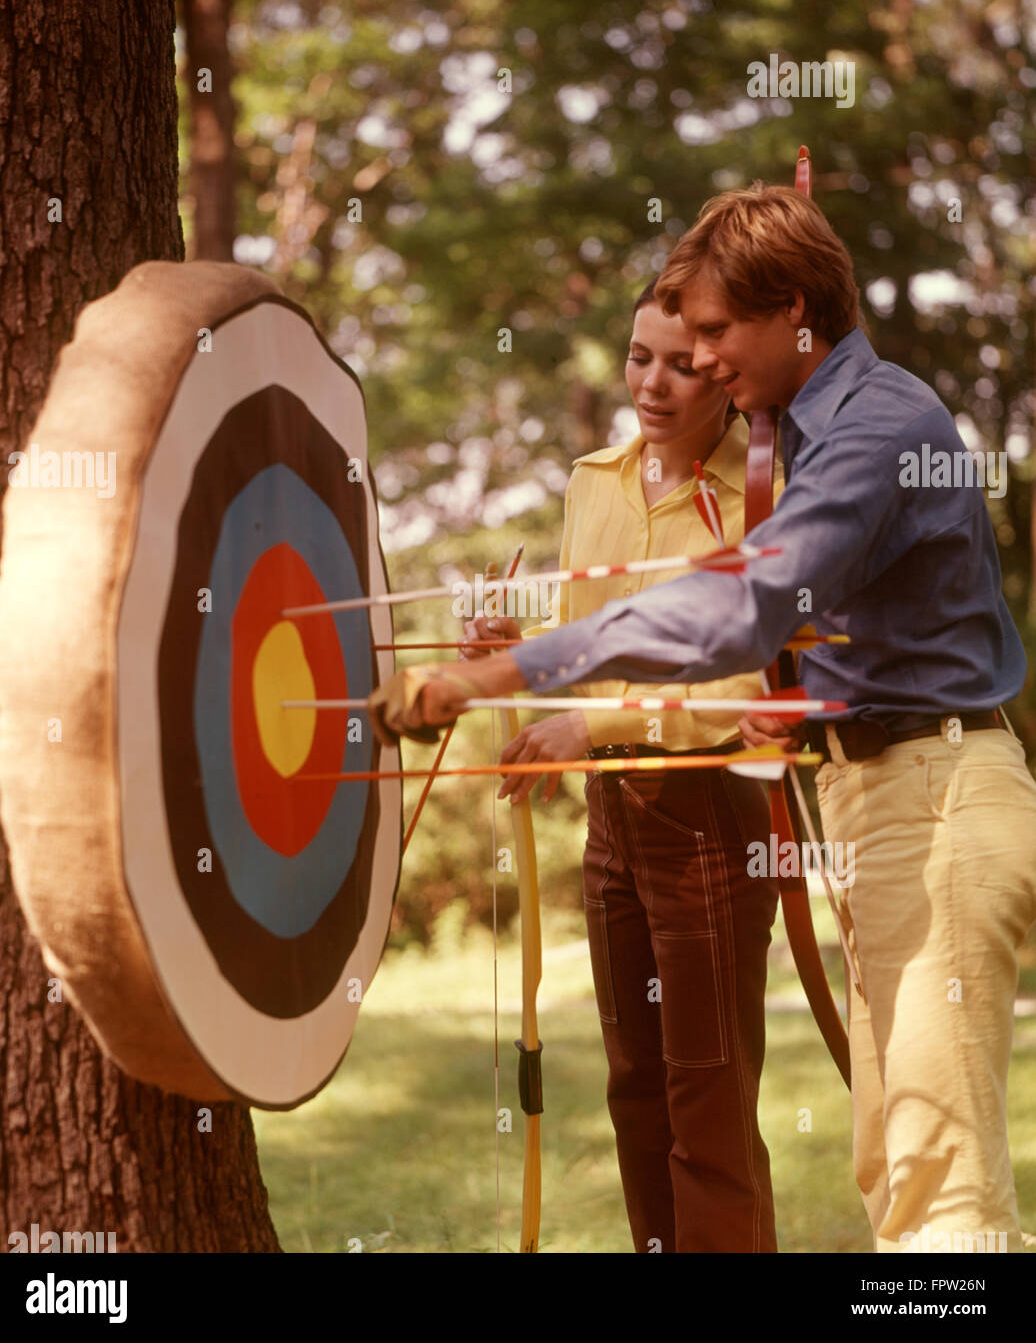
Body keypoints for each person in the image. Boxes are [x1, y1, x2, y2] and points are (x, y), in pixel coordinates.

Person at [371, 181, 1036, 1254]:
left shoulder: (876, 426)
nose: (701, 357)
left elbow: (739, 605)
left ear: (795, 312)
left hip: (937, 795)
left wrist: (510, 677)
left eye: (719, 332)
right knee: (897, 1159)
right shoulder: (812, 430)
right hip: (889, 795)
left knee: (936, 1179)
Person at [462, 282, 780, 1253]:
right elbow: (587, 641)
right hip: (617, 820)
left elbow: (747, 684)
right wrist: (514, 645)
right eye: (639, 355)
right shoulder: (590, 481)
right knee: (635, 1088)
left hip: (711, 816)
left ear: (726, 376)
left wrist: (589, 731)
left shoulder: (761, 495)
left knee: (707, 1097)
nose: (652, 382)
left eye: (682, 364)